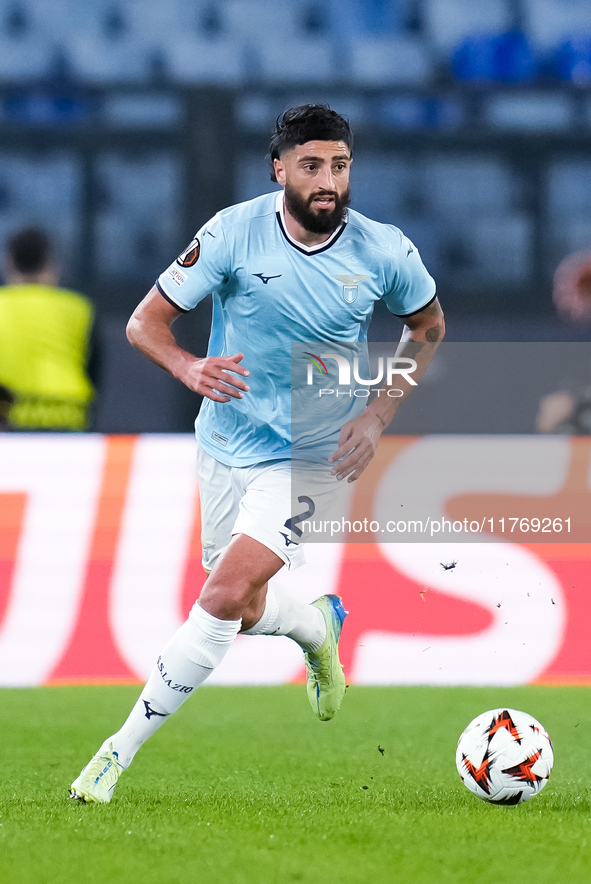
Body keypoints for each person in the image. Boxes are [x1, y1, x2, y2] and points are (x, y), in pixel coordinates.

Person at [70, 104, 445, 804]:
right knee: (239, 609)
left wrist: (378, 411)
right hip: (225, 441)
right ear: (279, 170)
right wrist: (186, 369)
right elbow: (144, 323)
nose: (327, 180)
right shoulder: (231, 233)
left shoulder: (382, 251)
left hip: (312, 456)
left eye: (338, 165)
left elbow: (425, 326)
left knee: (216, 596)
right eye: (311, 166)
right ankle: (315, 625)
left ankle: (112, 757)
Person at [0, 227, 95, 431]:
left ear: (8, 263)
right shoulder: (80, 309)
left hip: (9, 421)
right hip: (68, 419)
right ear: (51, 265)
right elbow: (94, 372)